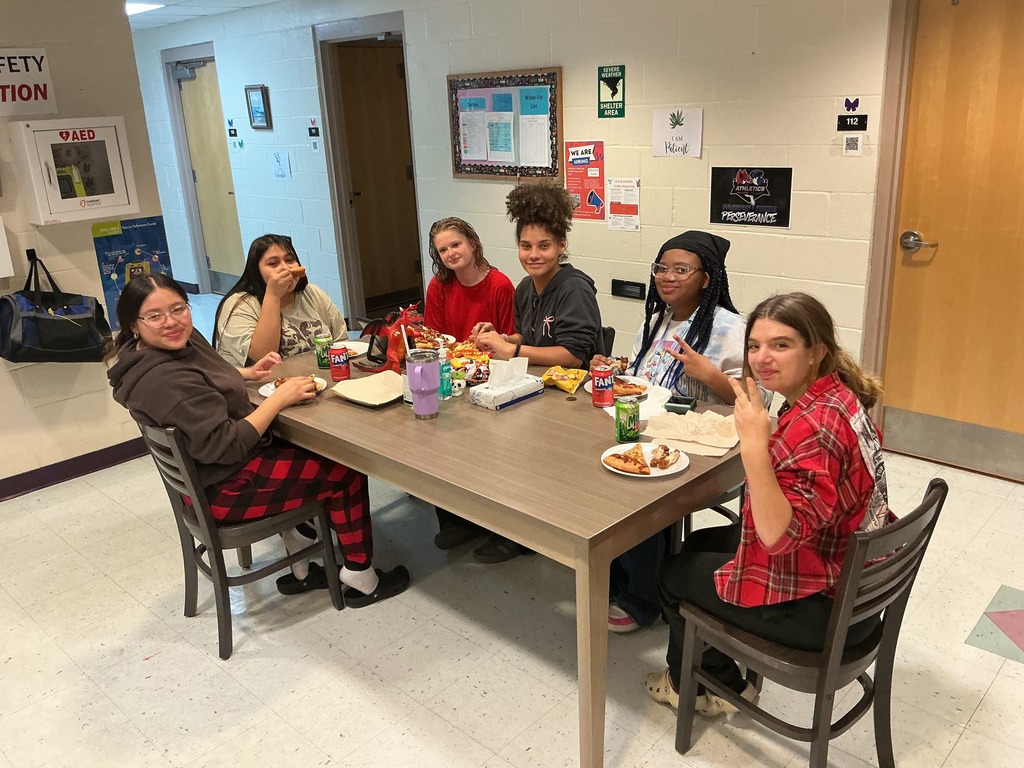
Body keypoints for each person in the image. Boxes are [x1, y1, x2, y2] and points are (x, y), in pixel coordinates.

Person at [645, 292, 891, 716]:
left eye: (781, 345)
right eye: (755, 345)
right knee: (698, 543)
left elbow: (778, 539)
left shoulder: (815, 428)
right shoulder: (834, 397)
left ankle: (710, 688)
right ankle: (706, 674)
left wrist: (756, 445)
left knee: (673, 572)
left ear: (817, 352)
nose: (762, 358)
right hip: (849, 573)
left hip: (826, 610)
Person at [107, 274, 409, 607]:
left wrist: (248, 374)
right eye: (154, 316)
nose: (171, 322)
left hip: (214, 473)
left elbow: (206, 375)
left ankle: (301, 561)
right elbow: (227, 445)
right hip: (224, 489)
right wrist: (278, 399)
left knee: (303, 447)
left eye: (178, 308)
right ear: (134, 324)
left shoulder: (168, 348)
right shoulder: (164, 381)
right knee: (346, 472)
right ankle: (361, 576)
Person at [592, 231, 749, 633]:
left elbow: (755, 402)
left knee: (639, 496)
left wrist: (711, 376)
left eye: (682, 269)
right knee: (600, 474)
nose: (668, 277)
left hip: (706, 449)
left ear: (707, 278)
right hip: (649, 431)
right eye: (662, 268)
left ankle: (643, 598)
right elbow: (643, 380)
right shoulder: (656, 318)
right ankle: (616, 575)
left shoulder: (732, 328)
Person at [471, 182, 603, 563]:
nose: (534, 254)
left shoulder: (574, 288)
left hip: (573, 399)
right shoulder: (526, 287)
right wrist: (499, 336)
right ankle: (513, 526)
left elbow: (574, 355)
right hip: (536, 390)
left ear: (562, 245)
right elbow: (529, 337)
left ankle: (532, 534)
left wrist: (510, 348)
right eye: (526, 246)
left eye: (544, 245)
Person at [424, 217, 516, 550]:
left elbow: (512, 338)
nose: (450, 253)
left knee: (490, 454)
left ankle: (497, 526)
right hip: (452, 376)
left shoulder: (500, 285)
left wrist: (492, 338)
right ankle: (454, 519)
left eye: (456, 244)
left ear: (473, 243)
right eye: (442, 249)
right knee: (439, 444)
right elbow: (433, 338)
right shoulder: (439, 287)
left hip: (491, 379)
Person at [213, 234, 348, 366]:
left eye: (290, 260)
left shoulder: (312, 293)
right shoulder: (238, 305)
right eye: (273, 263)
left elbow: (342, 341)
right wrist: (273, 295)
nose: (285, 268)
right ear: (256, 271)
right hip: (262, 384)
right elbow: (262, 356)